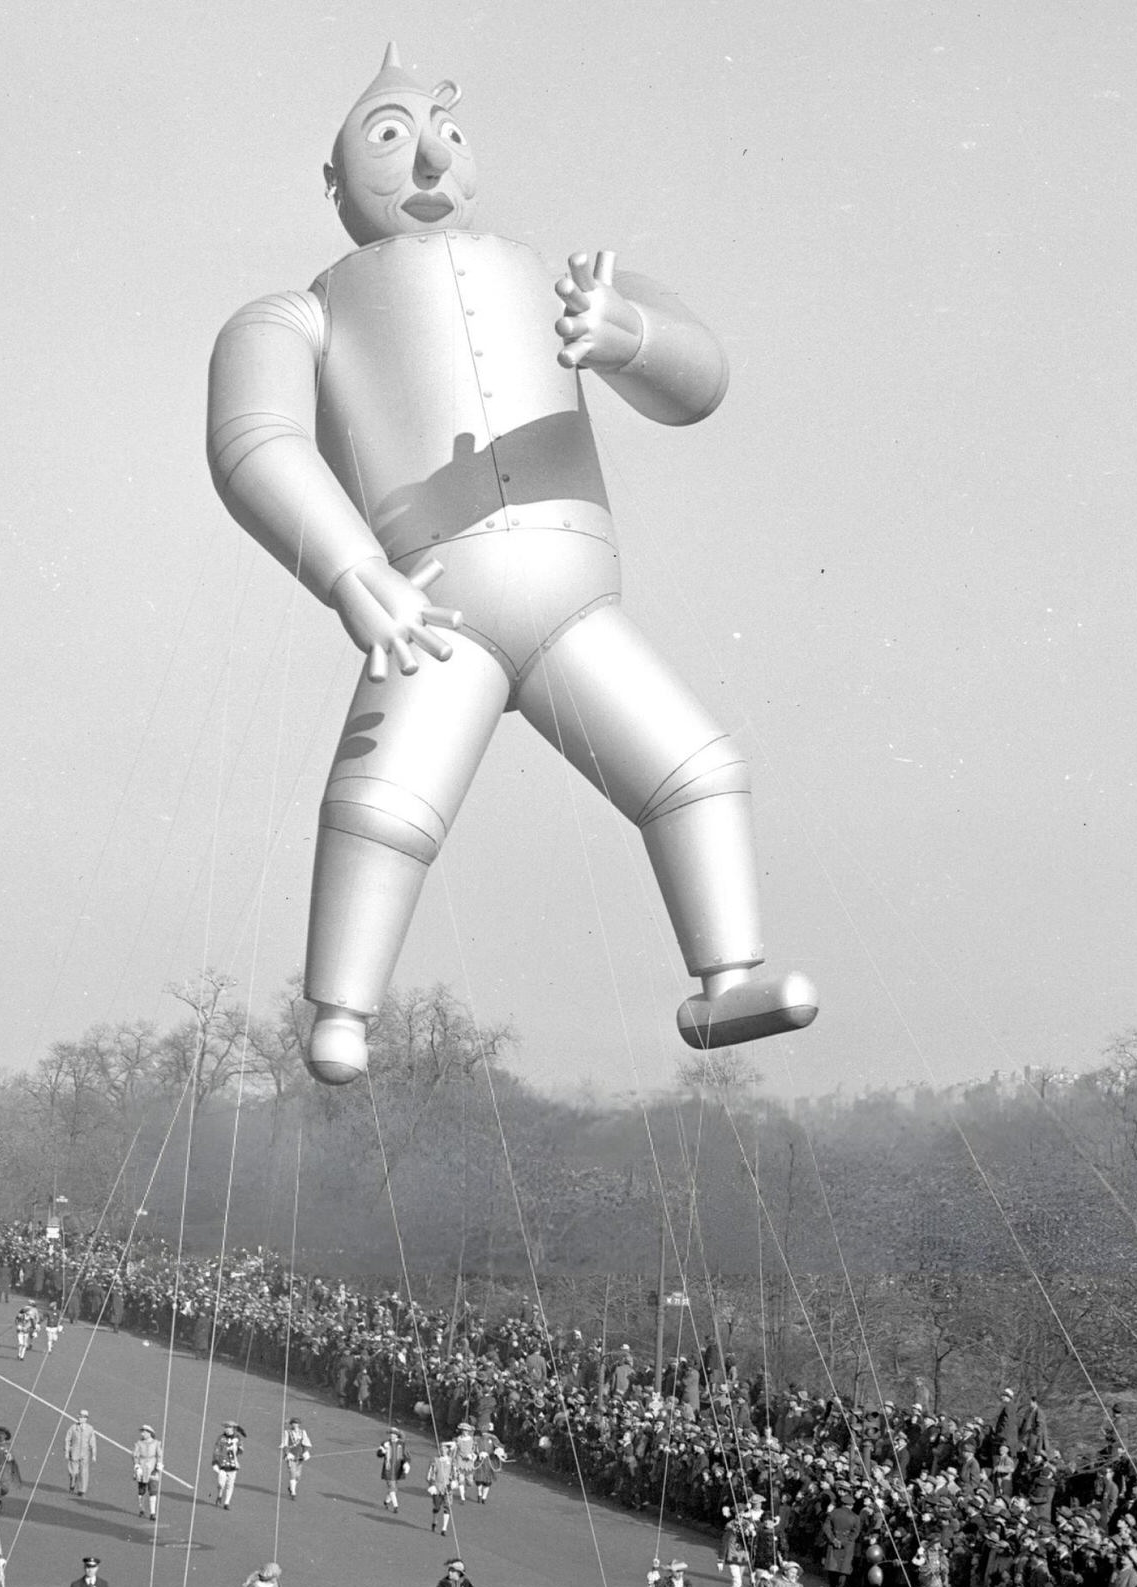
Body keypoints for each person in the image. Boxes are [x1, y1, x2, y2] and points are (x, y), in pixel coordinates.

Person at [205, 43, 818, 1092]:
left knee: (698, 768)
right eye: (389, 139)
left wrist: (621, 336)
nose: (431, 165)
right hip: (434, 605)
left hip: (574, 599)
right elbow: (254, 442)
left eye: (445, 135)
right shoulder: (295, 313)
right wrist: (356, 574)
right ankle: (342, 1006)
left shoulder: (557, 280)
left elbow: (698, 372)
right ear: (332, 182)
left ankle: (726, 979)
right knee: (383, 804)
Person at [820, 1489, 861, 1587]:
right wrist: (846, 1541)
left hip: (834, 1540)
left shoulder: (833, 1513)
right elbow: (856, 1532)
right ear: (851, 1505)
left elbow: (826, 1527)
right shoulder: (855, 1517)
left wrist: (833, 1539)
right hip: (847, 1544)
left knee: (832, 1565)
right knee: (844, 1567)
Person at [132, 1423, 163, 1520]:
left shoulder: (156, 1443)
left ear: (149, 1433)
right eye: (142, 1432)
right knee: (141, 1490)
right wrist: (137, 1466)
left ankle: (153, 1513)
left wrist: (159, 1464)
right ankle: (141, 1509)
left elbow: (159, 1455)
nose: (142, 1434)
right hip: (142, 1468)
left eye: (144, 1432)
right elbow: (135, 1455)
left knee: (153, 1490)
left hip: (152, 1469)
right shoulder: (139, 1444)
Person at [212, 1421, 245, 1509]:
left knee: (230, 1484)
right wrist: (215, 1462)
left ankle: (227, 1503)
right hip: (222, 1464)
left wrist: (238, 1447)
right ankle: (219, 1495)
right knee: (221, 1484)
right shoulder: (221, 1438)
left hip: (233, 1465)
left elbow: (241, 1451)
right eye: (225, 1427)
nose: (226, 1429)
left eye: (228, 1427)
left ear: (232, 1429)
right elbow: (216, 1450)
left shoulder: (237, 1438)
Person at [378, 1426, 410, 1513]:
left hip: (397, 1470)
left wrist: (406, 1463)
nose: (392, 1435)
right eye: (391, 1433)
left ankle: (386, 1502)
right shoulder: (385, 1443)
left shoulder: (401, 1444)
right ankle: (396, 1506)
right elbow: (378, 1454)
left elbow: (406, 1456)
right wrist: (383, 1450)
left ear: (397, 1435)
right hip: (388, 1470)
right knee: (392, 1488)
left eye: (394, 1434)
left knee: (393, 1488)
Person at [65, 1410, 97, 1497]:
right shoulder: (73, 1428)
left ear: (86, 1419)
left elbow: (92, 1442)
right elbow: (68, 1439)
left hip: (85, 1454)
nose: (79, 1418)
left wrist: (94, 1454)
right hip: (74, 1452)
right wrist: (67, 1451)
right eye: (79, 1417)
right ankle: (72, 1483)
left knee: (84, 1472)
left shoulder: (90, 1429)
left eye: (82, 1417)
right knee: (73, 1472)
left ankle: (82, 1490)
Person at [427, 1440, 456, 1536]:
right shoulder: (435, 1460)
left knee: (447, 1506)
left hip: (447, 1486)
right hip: (437, 1486)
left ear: (448, 1450)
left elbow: (454, 1472)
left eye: (445, 1448)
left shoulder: (451, 1460)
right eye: (441, 1448)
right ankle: (434, 1521)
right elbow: (431, 1473)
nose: (443, 1450)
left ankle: (444, 1528)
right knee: (437, 1506)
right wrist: (432, 1485)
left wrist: (454, 1481)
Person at [280, 1416, 312, 1501]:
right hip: (291, 1456)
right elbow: (285, 1443)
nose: (295, 1425)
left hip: (299, 1456)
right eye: (294, 1423)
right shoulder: (287, 1432)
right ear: (291, 1424)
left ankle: (291, 1487)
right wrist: (287, 1453)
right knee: (292, 1473)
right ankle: (293, 1492)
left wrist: (305, 1452)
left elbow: (306, 1443)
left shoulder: (303, 1432)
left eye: (297, 1423)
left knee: (298, 1476)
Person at [473, 1426, 504, 1504]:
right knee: (478, 1480)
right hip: (479, 1461)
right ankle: (479, 1494)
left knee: (488, 1481)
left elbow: (499, 1447)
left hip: (489, 1461)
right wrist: (478, 1453)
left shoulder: (493, 1438)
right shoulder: (477, 1439)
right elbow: (473, 1448)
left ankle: (484, 1497)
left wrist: (498, 1451)